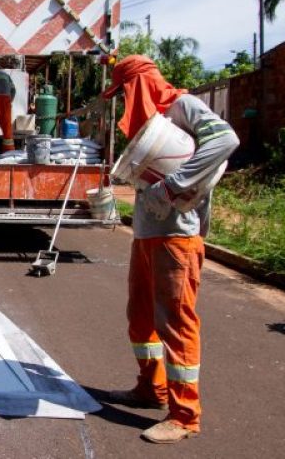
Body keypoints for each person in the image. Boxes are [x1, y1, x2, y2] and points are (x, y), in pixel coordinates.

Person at [101, 55, 239, 443]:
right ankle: (150, 388)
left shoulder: (183, 105)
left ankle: (184, 415)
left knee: (176, 324)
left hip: (177, 237)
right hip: (147, 235)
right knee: (141, 318)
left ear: (140, 83)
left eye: (125, 91)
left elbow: (226, 139)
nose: (125, 100)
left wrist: (174, 184)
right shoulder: (152, 120)